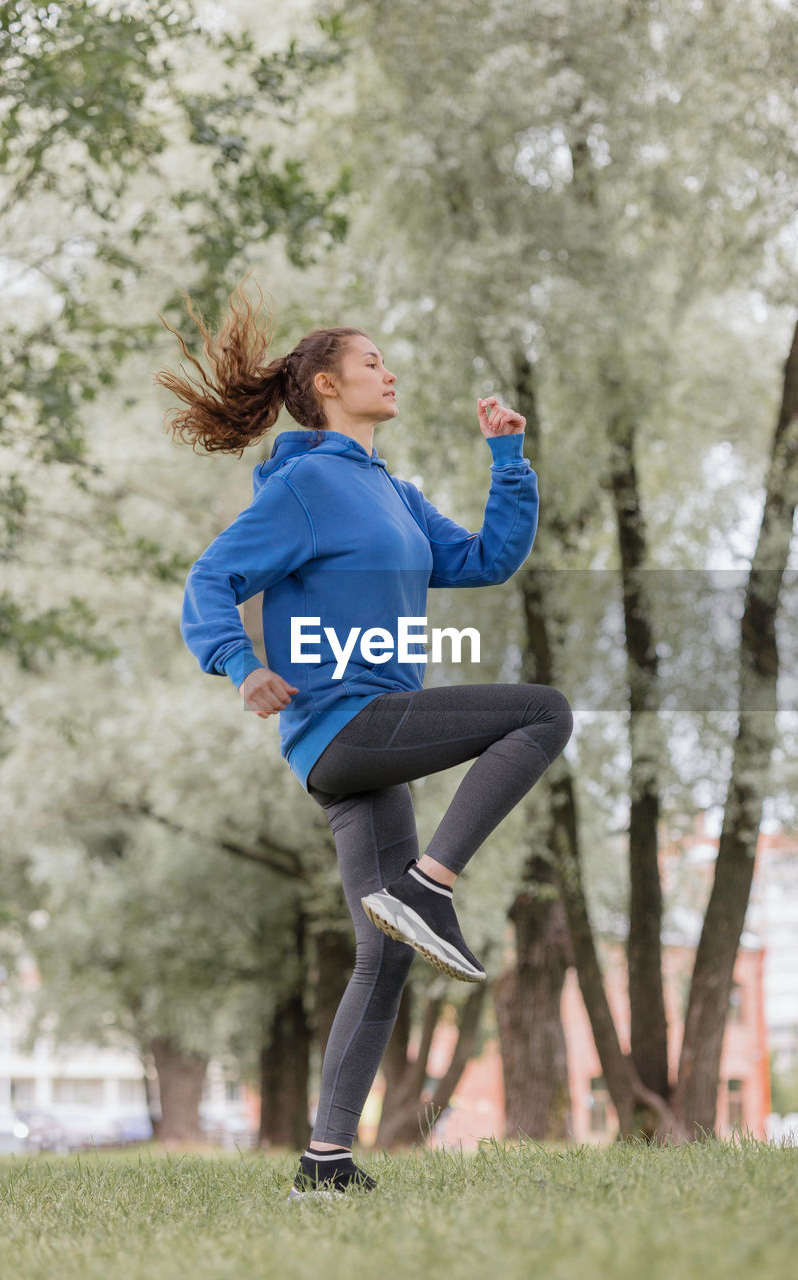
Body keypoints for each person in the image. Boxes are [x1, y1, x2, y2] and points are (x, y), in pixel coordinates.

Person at [156, 285, 573, 1198]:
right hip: (348, 722)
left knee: (381, 953)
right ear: (324, 383)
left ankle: (324, 1163)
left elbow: (479, 561)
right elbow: (211, 578)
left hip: (363, 747)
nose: (389, 371)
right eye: (371, 359)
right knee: (541, 712)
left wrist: (507, 458)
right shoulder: (307, 484)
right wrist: (238, 664)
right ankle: (433, 884)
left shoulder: (391, 492)